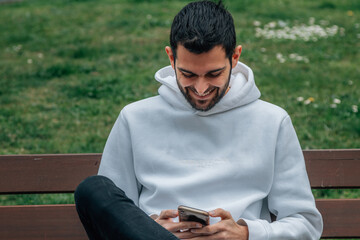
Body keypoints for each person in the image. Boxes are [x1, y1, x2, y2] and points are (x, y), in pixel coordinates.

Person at [74, 1, 323, 239]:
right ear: (171, 59)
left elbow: (306, 224)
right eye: (188, 74)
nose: (201, 88)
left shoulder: (272, 121)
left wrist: (246, 233)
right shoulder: (135, 117)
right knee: (93, 190)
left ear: (235, 58)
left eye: (214, 74)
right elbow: (113, 214)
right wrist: (149, 227)